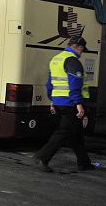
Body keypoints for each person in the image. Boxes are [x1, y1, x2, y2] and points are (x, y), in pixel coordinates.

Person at [33, 35, 95, 172]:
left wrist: (52, 101)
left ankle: (84, 163)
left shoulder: (56, 59)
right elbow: (75, 83)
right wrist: (78, 103)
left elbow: (49, 84)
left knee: (76, 133)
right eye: (82, 50)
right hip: (70, 103)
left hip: (59, 101)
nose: (81, 53)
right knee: (64, 132)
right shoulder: (72, 61)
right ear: (78, 47)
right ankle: (42, 157)